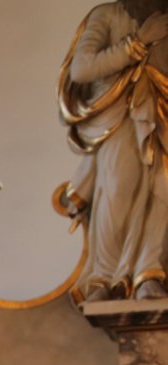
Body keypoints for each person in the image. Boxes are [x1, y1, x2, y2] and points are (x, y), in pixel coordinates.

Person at [59, 1, 168, 300]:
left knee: (164, 189)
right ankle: (103, 279)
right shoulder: (107, 15)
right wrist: (139, 42)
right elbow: (82, 69)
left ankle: (150, 272)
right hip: (119, 116)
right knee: (118, 187)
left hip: (161, 113)